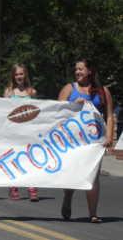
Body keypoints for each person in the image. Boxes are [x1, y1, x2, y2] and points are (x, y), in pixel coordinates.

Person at [58, 59, 114, 223]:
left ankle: (93, 214)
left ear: (90, 71)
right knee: (73, 174)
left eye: (81, 69)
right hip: (73, 140)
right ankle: (68, 197)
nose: (77, 72)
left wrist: (109, 136)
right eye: (76, 69)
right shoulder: (69, 89)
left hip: (95, 141)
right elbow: (56, 111)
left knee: (93, 176)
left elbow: (109, 115)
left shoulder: (103, 91)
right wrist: (73, 104)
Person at [0, 64, 39, 202]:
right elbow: (3, 112)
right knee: (12, 160)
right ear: (13, 76)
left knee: (28, 159)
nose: (19, 77)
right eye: (17, 74)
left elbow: (37, 111)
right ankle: (12, 187)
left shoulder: (32, 92)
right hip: (12, 132)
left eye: (21, 74)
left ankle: (32, 187)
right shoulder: (9, 92)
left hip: (27, 131)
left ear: (25, 75)